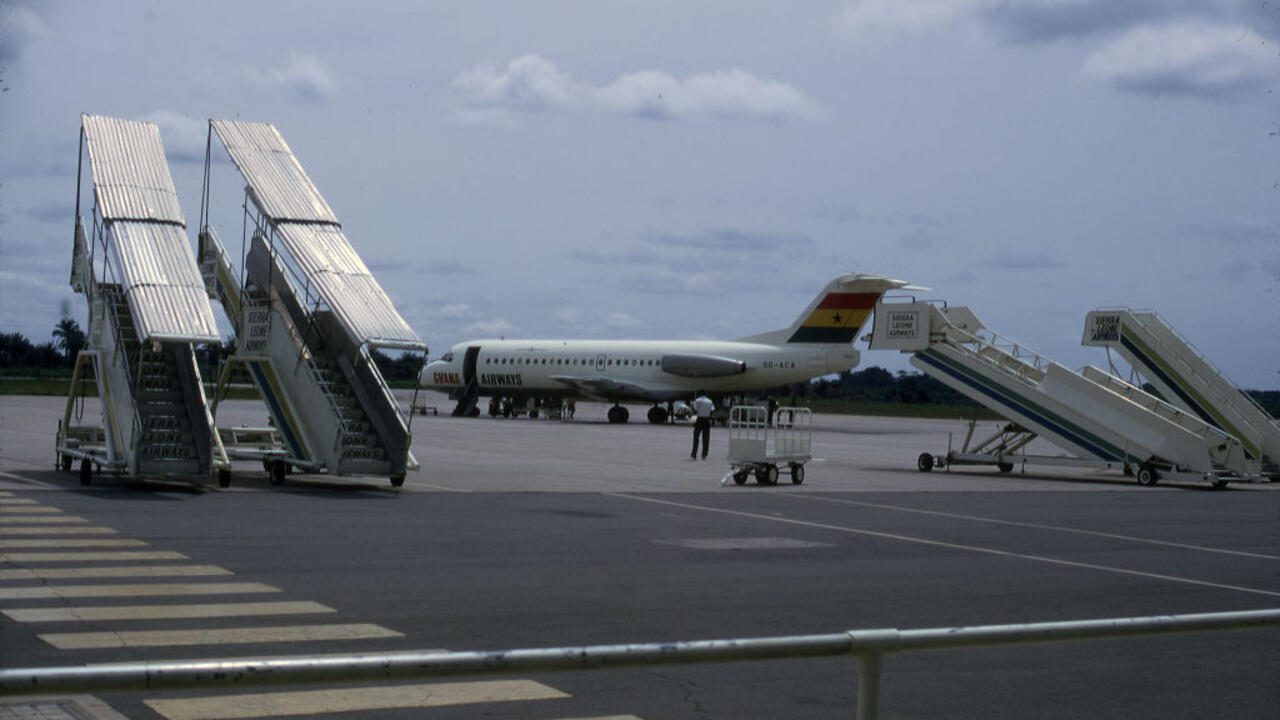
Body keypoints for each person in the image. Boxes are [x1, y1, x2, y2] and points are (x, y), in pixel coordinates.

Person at [690, 390, 715, 460]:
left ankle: (694, 453)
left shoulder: (697, 400)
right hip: (707, 420)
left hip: (699, 419)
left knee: (696, 437)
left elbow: (695, 409)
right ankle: (704, 454)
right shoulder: (710, 401)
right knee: (706, 438)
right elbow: (712, 409)